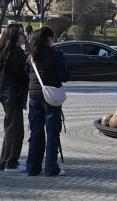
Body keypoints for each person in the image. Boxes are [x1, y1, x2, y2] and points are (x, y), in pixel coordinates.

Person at [26, 26, 70, 176]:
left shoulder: (30, 57)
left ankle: (32, 167)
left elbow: (28, 74)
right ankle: (51, 168)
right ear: (48, 39)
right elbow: (64, 76)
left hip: (33, 98)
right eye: (52, 38)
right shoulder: (55, 54)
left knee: (36, 132)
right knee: (52, 133)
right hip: (50, 97)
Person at [0, 23, 29, 172]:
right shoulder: (14, 53)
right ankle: (11, 163)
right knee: (15, 131)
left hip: (8, 94)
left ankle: (5, 161)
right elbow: (23, 74)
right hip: (12, 95)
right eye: (21, 33)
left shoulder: (10, 51)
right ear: (14, 35)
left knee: (11, 129)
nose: (23, 36)